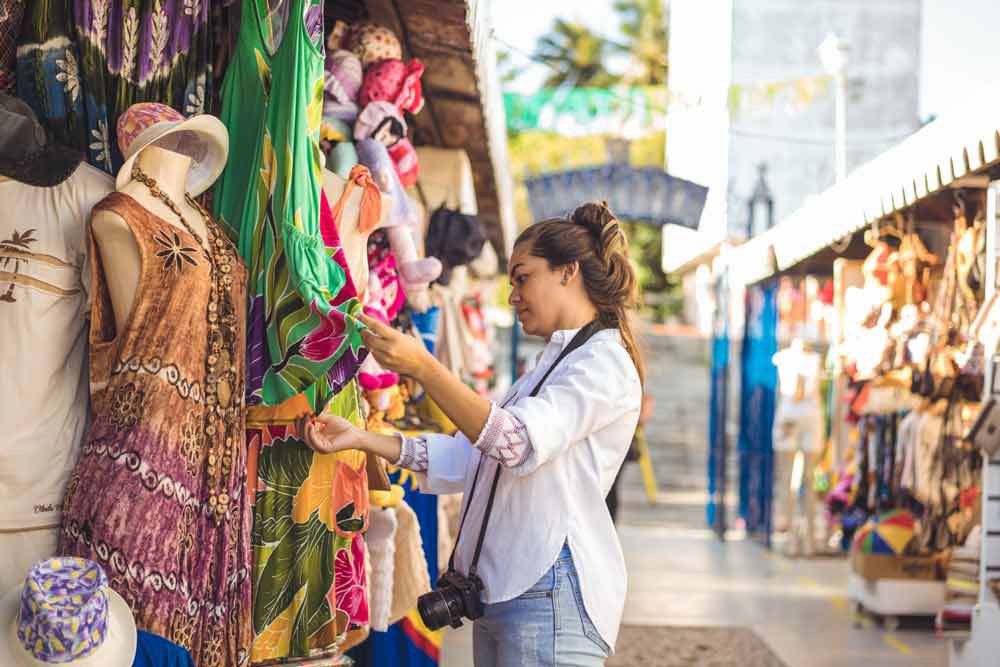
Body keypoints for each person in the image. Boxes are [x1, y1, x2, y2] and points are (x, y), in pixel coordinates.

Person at [304, 202, 643, 666]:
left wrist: (425, 367)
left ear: (568, 271)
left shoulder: (602, 362)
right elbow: (474, 457)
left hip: (549, 595)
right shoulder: (549, 366)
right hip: (511, 592)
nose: (514, 296)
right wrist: (363, 439)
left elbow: (513, 443)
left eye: (522, 278)